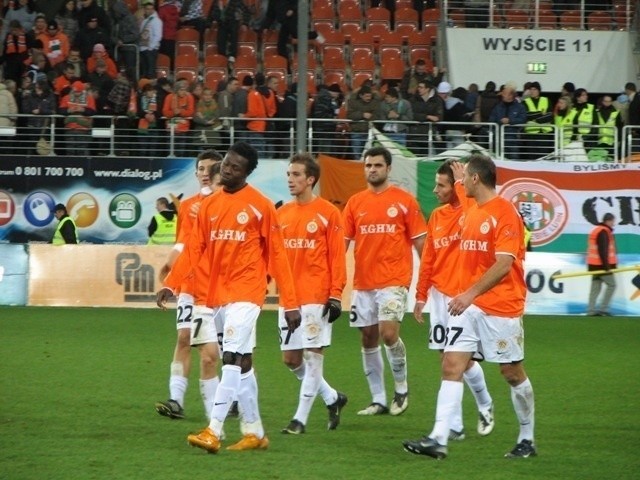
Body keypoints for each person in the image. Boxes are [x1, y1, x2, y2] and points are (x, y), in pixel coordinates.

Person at [158, 142, 301, 453]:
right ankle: (254, 432)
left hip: (247, 293)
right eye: (226, 163)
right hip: (216, 296)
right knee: (243, 361)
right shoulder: (209, 206)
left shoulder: (260, 206)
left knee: (231, 358)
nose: (227, 169)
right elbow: (194, 249)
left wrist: (290, 302)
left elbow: (277, 256)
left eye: (236, 167)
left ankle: (214, 430)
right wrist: (172, 283)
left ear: (247, 172)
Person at [403, 154, 536, 460]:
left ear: (476, 179)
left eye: (464, 179)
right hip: (469, 306)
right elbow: (462, 200)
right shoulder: (471, 208)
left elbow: (504, 263)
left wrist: (469, 293)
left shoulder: (506, 213)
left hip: (501, 305)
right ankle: (438, 438)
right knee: (451, 364)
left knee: (511, 372)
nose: (460, 183)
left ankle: (527, 437)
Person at [413, 160, 495, 442]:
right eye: (436, 184)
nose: (435, 190)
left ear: (458, 185)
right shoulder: (436, 216)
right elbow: (429, 259)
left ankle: (484, 402)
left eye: (442, 185)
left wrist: (462, 185)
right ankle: (456, 426)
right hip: (439, 296)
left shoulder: (472, 213)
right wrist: (421, 294)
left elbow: (477, 213)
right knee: (446, 359)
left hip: (464, 295)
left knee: (461, 359)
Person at [343, 146, 427, 416]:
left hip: (394, 279)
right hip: (363, 283)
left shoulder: (405, 201)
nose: (372, 170)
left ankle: (401, 388)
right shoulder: (355, 203)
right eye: (368, 166)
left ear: (388, 169)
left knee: (388, 333)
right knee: (367, 338)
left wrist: (429, 278)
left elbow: (421, 243)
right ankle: (378, 398)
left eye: (378, 165)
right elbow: (341, 244)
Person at [277, 153, 348, 435]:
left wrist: (335, 295)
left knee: (312, 356)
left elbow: (337, 258)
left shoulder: (329, 212)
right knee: (291, 360)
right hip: (289, 300)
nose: (290, 180)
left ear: (311, 179)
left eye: (296, 175)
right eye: (288, 175)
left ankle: (300, 419)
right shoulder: (281, 214)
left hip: (316, 297)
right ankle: (332, 398)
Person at [155, 151, 222, 420]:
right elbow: (184, 242)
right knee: (183, 338)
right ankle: (176, 399)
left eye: (209, 168)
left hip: (218, 288)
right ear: (195, 173)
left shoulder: (225, 204)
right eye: (200, 168)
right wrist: (171, 266)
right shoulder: (188, 206)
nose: (204, 172)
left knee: (219, 350)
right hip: (189, 284)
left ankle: (231, 398)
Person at [587, 213, 618, 316]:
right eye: (613, 221)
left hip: (593, 265)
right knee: (612, 285)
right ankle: (603, 309)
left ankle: (591, 311)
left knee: (595, 288)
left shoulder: (597, 230)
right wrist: (607, 267)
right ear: (608, 221)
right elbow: (603, 251)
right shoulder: (604, 232)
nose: (614, 223)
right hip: (601, 266)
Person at [489, 82, 527, 160]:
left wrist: (510, 121)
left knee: (514, 162)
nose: (502, 94)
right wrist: (500, 122)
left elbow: (523, 120)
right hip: (499, 140)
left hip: (513, 140)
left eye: (505, 93)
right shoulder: (497, 107)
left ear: (511, 95)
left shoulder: (520, 107)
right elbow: (492, 120)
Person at [408, 80, 443, 157]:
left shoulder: (437, 100)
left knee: (427, 157)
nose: (418, 89)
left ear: (427, 89)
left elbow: (439, 117)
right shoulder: (413, 99)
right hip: (414, 134)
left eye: (421, 87)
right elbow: (411, 115)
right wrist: (427, 116)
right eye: (418, 87)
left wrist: (421, 117)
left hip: (429, 134)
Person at [346, 85, 380, 159]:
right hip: (356, 132)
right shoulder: (352, 102)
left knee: (370, 156)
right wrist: (362, 114)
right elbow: (350, 115)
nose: (369, 98)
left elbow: (378, 115)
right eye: (366, 96)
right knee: (357, 155)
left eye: (370, 96)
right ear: (361, 95)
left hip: (370, 132)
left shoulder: (375, 102)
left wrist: (371, 116)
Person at [522, 81, 553, 161]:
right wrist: (540, 113)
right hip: (531, 135)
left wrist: (535, 118)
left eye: (535, 89)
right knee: (532, 159)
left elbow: (549, 116)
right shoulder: (525, 102)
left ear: (539, 90)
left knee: (544, 159)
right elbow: (527, 116)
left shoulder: (546, 100)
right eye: (531, 89)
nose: (532, 91)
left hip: (544, 134)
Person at [138, 0, 163, 80]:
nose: (149, 10)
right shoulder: (145, 20)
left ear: (153, 10)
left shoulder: (156, 21)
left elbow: (158, 36)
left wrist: (150, 47)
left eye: (150, 9)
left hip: (150, 50)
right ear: (144, 9)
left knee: (150, 72)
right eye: (147, 9)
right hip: (143, 48)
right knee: (144, 71)